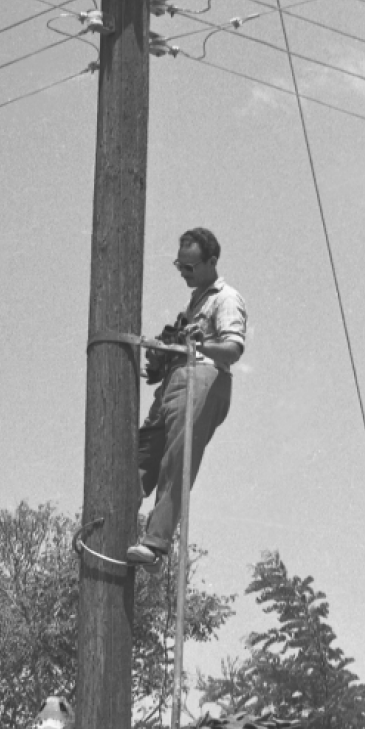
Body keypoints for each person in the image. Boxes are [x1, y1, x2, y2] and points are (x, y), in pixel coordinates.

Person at [127, 227, 247, 568]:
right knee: (143, 454)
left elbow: (232, 349)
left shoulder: (226, 298)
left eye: (190, 267)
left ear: (211, 263)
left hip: (203, 379)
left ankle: (155, 543)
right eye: (179, 265)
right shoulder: (194, 303)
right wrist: (163, 357)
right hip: (174, 382)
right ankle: (114, 520)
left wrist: (198, 343)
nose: (183, 272)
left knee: (177, 457)